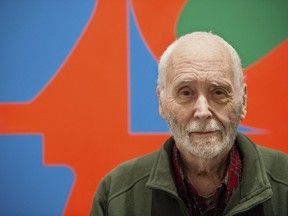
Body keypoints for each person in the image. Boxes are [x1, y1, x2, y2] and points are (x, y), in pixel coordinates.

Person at [90, 32, 288, 216]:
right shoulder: (116, 193)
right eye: (186, 92)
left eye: (218, 92)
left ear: (243, 101)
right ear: (161, 102)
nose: (202, 112)